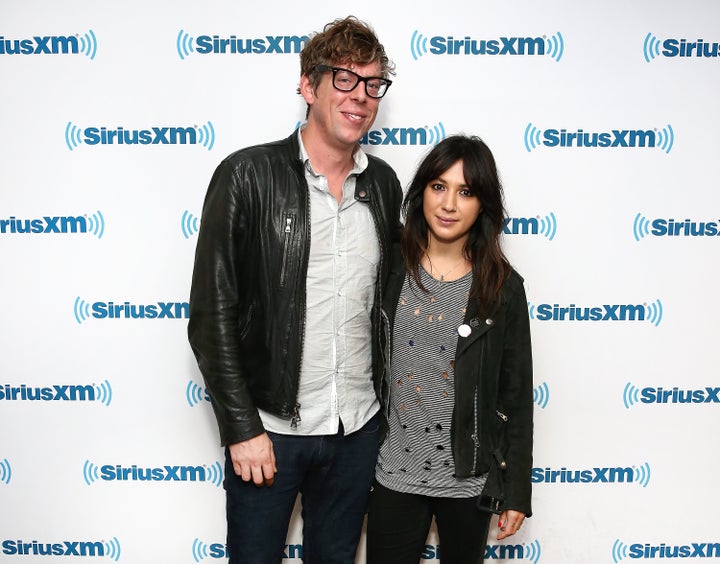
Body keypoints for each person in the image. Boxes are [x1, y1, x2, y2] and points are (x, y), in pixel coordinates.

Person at [187, 16, 401, 564]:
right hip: (271, 434)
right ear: (308, 86)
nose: (362, 97)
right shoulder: (245, 175)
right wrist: (241, 428)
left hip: (357, 430)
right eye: (345, 80)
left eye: (373, 84)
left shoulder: (382, 184)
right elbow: (212, 317)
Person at [366, 135, 533, 564]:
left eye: (466, 192)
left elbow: (516, 397)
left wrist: (516, 491)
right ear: (422, 191)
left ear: (483, 205)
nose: (449, 204)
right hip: (393, 475)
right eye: (439, 187)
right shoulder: (389, 266)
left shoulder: (503, 289)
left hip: (468, 481)